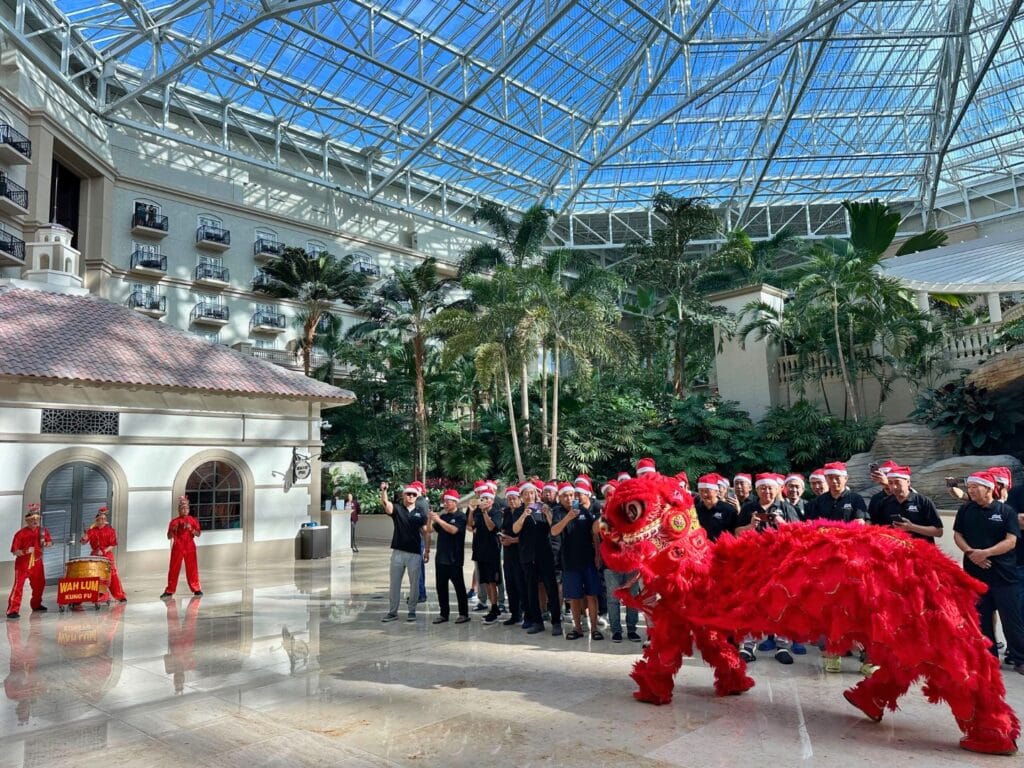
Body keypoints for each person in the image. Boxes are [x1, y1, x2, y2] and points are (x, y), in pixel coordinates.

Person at [952, 471, 1024, 674]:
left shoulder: (1005, 511)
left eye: (976, 487)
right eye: (970, 487)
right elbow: (958, 534)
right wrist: (970, 552)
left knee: (1012, 620)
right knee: (982, 619)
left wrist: (986, 553)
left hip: (1004, 577)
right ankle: (988, 656)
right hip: (975, 576)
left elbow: (1012, 540)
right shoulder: (966, 510)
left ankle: (1020, 658)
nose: (971, 490)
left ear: (989, 488)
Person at [736, 474, 800, 664]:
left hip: (780, 563)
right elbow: (736, 532)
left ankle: (782, 645)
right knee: (751, 603)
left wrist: (781, 524)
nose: (767, 491)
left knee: (781, 603)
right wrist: (750, 525)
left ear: (778, 489)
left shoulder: (787, 508)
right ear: (757, 491)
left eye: (770, 488)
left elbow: (799, 533)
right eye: (763, 488)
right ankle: (748, 646)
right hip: (753, 562)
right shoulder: (749, 508)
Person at [552, 481, 603, 641]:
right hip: (569, 561)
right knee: (574, 597)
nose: (569, 498)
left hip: (588, 560)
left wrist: (597, 554)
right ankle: (578, 628)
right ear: (559, 498)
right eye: (565, 496)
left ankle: (594, 628)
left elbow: (593, 533)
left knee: (592, 595)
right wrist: (568, 517)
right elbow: (554, 531)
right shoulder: (558, 512)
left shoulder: (583, 511)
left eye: (571, 495)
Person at [513, 481, 562, 635]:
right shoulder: (519, 510)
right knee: (531, 590)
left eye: (532, 493)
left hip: (545, 554)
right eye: (526, 493)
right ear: (521, 496)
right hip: (527, 555)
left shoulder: (543, 508)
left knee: (551, 589)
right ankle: (537, 622)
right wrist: (523, 515)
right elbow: (515, 530)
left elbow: (554, 529)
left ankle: (556, 622)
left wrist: (548, 514)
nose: (530, 496)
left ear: (536, 494)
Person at [380, 481, 429, 623]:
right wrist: (384, 490)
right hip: (397, 553)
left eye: (414, 494)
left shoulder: (420, 513)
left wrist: (427, 551)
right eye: (408, 494)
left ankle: (412, 611)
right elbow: (386, 503)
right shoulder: (397, 509)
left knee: (414, 584)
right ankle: (392, 612)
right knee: (394, 583)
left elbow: (426, 533)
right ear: (403, 495)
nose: (411, 496)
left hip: (414, 554)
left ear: (417, 496)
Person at [869, 466, 943, 544]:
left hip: (921, 551)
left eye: (897, 482)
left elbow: (938, 532)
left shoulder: (923, 501)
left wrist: (911, 527)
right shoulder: (884, 503)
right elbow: (876, 528)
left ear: (908, 482)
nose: (894, 486)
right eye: (890, 483)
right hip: (896, 551)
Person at [429, 490, 469, 624]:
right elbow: (428, 530)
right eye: (444, 501)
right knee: (441, 587)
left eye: (448, 501)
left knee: (459, 587)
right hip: (441, 558)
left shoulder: (461, 516)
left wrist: (438, 520)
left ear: (455, 502)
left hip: (455, 558)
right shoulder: (443, 517)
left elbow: (453, 530)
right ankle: (443, 614)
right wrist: (431, 518)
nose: (445, 504)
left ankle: (463, 614)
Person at [7, 504, 53, 619]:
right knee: (18, 586)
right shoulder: (20, 534)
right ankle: (12, 610)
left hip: (37, 562)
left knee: (40, 585)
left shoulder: (43, 531)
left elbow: (50, 542)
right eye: (32, 519)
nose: (35, 521)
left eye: (37, 519)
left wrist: (47, 544)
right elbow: (15, 551)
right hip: (23, 564)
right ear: (28, 521)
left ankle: (36, 605)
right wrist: (26, 551)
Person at [468, 481, 503, 624]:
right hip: (479, 550)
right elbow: (470, 525)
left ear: (493, 500)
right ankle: (492, 607)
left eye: (488, 499)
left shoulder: (496, 511)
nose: (486, 501)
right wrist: (471, 510)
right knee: (485, 581)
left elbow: (491, 527)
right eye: (483, 498)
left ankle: (495, 606)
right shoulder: (476, 511)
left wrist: (484, 512)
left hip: (491, 551)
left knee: (492, 581)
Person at [80, 507, 127, 602]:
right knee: (94, 575)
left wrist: (104, 551)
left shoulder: (110, 531)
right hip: (95, 556)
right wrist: (84, 538)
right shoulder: (91, 530)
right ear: (96, 520)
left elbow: (112, 545)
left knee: (112, 575)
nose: (101, 520)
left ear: (105, 520)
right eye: (99, 519)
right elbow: (83, 542)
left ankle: (119, 595)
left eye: (103, 518)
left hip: (107, 556)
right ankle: (98, 595)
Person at [160, 496, 202, 599]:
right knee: (174, 569)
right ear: (179, 510)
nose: (185, 510)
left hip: (190, 547)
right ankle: (170, 590)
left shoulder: (193, 520)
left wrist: (191, 529)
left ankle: (196, 588)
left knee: (192, 569)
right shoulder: (174, 522)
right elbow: (168, 537)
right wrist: (173, 530)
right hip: (177, 547)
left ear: (189, 509)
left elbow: (198, 534)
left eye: (186, 508)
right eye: (182, 508)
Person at [498, 485, 527, 627]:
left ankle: (525, 614)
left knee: (521, 584)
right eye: (509, 499)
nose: (511, 501)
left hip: (521, 552)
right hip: (508, 553)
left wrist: (514, 540)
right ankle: (514, 614)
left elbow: (529, 535)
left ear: (520, 499)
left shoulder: (524, 512)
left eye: (514, 498)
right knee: (510, 583)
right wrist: (502, 537)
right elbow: (504, 527)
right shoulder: (507, 512)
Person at [694, 473, 739, 542]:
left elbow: (736, 532)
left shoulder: (728, 510)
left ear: (716, 492)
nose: (704, 494)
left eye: (707, 491)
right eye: (701, 491)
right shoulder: (695, 509)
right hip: (702, 548)